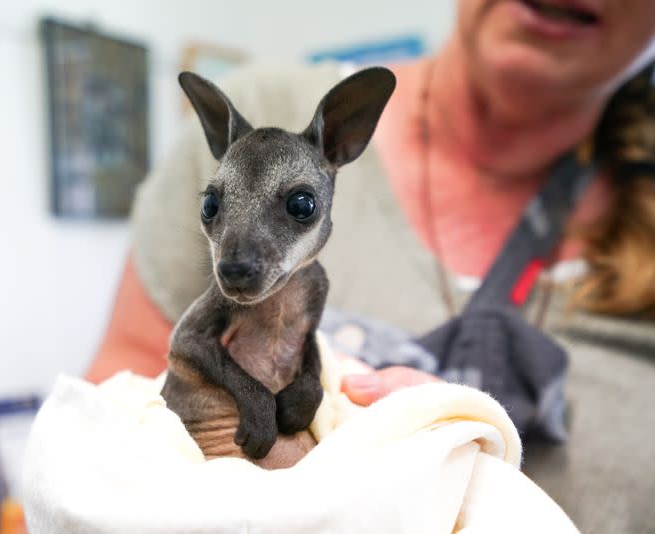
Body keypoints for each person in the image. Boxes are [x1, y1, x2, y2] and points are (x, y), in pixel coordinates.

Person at [87, 1, 655, 532]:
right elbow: (119, 411)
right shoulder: (261, 107)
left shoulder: (310, 267)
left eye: (298, 208)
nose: (240, 257)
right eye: (215, 209)